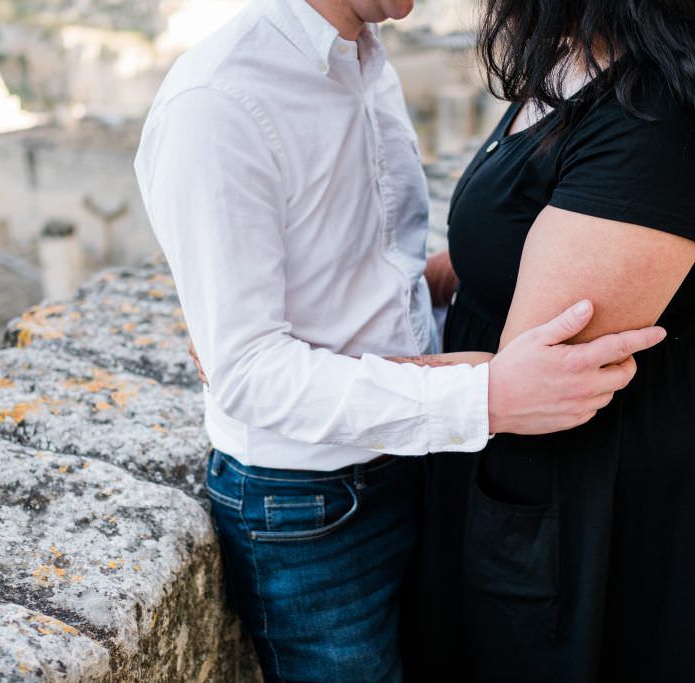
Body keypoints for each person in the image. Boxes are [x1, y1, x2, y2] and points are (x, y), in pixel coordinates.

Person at [134, 0, 666, 680]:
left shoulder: (363, 56)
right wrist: (485, 396)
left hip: (413, 461)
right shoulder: (218, 103)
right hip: (310, 508)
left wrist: (489, 266)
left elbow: (371, 274)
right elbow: (249, 374)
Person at [406, 0, 695, 681]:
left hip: (616, 479)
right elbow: (504, 239)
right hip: (554, 472)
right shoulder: (578, 55)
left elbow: (539, 373)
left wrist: (306, 368)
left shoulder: (657, 113)